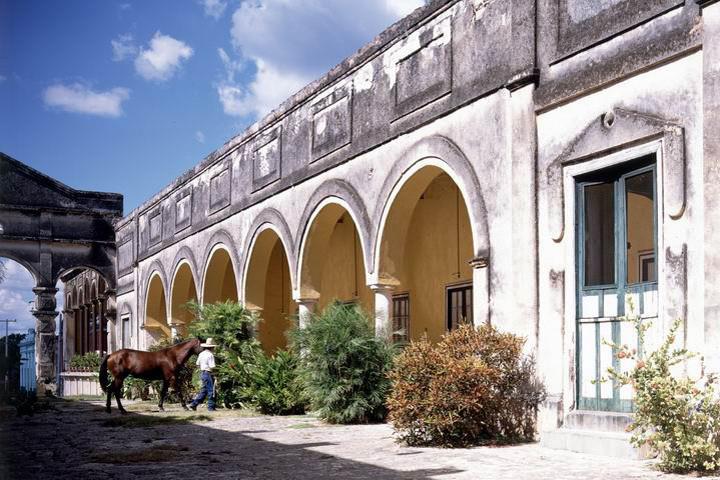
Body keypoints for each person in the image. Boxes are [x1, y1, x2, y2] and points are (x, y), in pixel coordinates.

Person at [189, 338, 217, 411]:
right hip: (208, 373)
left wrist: (203, 367)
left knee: (204, 391)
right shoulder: (210, 355)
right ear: (212, 347)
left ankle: (194, 404)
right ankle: (211, 407)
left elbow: (197, 363)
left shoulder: (201, 354)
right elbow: (212, 366)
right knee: (211, 390)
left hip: (203, 373)